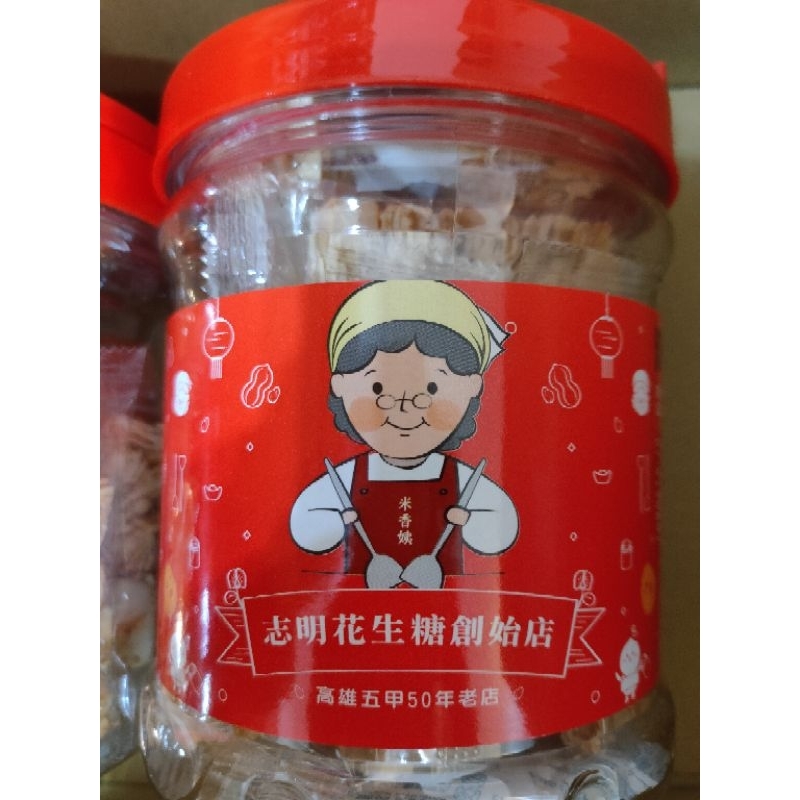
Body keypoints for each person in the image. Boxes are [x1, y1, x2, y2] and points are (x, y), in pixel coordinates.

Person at [290, 280, 518, 586]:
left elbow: (501, 529)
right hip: (357, 602)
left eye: (431, 389)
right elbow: (305, 525)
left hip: (446, 603)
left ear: (471, 387)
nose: (404, 408)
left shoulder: (460, 478)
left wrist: (471, 521)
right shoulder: (349, 476)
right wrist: (337, 519)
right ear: (340, 385)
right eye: (378, 388)